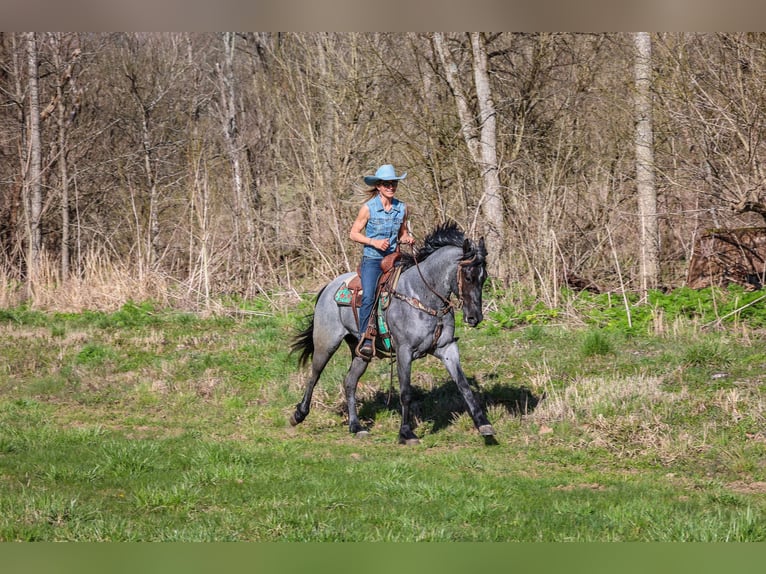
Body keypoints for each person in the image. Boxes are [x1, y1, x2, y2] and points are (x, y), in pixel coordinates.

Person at [349, 164, 415, 359]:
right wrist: (373, 242)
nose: (391, 187)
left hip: (394, 259)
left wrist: (406, 238)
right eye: (386, 184)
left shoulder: (402, 208)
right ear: (378, 186)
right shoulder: (368, 208)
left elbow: (402, 232)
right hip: (372, 260)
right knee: (369, 296)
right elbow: (353, 233)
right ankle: (366, 337)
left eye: (393, 183)